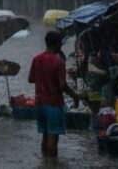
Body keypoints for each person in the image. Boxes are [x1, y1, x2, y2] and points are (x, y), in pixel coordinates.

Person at [29, 30, 80, 158]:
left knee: (45, 136)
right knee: (53, 139)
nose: (61, 46)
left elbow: (31, 79)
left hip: (39, 104)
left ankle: (45, 162)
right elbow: (62, 86)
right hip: (53, 104)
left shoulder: (36, 59)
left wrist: (43, 77)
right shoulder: (58, 62)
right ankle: (52, 165)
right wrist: (75, 95)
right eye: (60, 44)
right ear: (56, 44)